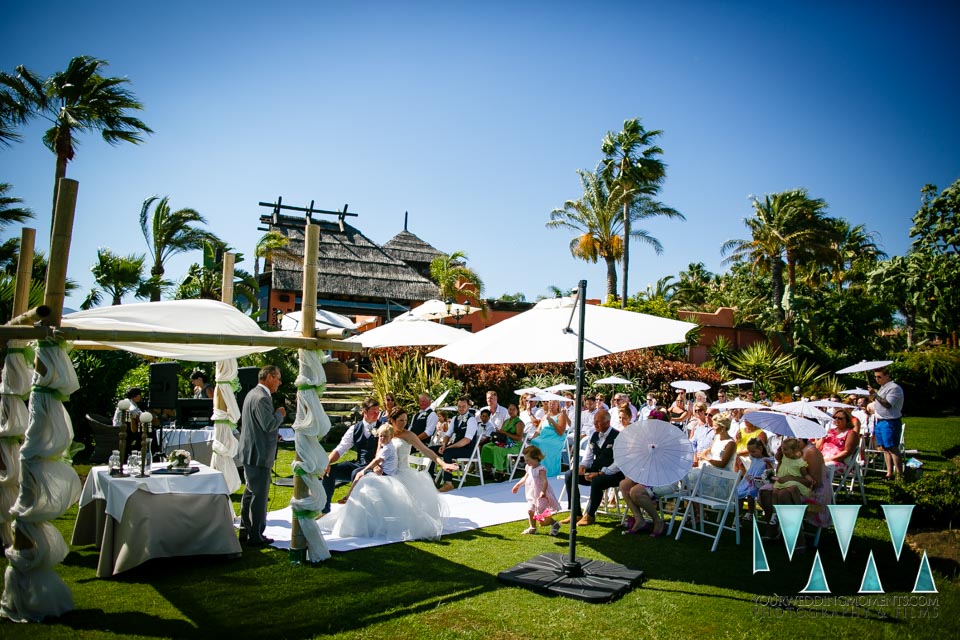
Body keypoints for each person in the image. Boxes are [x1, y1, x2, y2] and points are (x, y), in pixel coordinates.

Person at [320, 407, 457, 542]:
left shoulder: (409, 435)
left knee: (375, 485)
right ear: (392, 420)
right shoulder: (385, 432)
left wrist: (443, 464)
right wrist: (377, 466)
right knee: (364, 483)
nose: (404, 423)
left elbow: (426, 451)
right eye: (400, 420)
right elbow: (378, 454)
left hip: (402, 474)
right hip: (386, 473)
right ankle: (361, 524)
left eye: (405, 420)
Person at [238, 365, 286, 546]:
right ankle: (256, 535)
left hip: (251, 451)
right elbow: (268, 424)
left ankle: (245, 529)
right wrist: (279, 415)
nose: (280, 383)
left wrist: (275, 434)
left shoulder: (252, 394)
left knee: (250, 493)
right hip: (258, 454)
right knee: (259, 496)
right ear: (270, 377)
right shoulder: (262, 398)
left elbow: (258, 426)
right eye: (278, 378)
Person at [559, 408, 623, 527]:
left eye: (598, 422)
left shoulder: (618, 437)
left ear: (607, 423)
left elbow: (619, 462)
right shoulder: (594, 435)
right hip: (595, 469)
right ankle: (576, 512)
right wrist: (583, 466)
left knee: (597, 481)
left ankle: (590, 514)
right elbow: (588, 456)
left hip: (613, 474)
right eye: (594, 421)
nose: (595, 424)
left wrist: (601, 473)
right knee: (570, 475)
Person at [321, 397, 382, 513]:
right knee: (330, 472)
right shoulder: (355, 428)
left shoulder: (383, 427)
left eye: (378, 410)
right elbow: (341, 448)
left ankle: (354, 512)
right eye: (373, 410)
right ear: (364, 411)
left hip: (374, 467)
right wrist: (327, 463)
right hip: (359, 464)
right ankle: (324, 510)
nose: (377, 413)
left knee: (356, 473)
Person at [336, 423, 398, 504]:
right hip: (382, 469)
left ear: (391, 436)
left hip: (385, 473)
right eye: (380, 436)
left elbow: (376, 460)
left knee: (358, 474)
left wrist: (365, 470)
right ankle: (350, 496)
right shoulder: (386, 445)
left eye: (385, 436)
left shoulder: (388, 448)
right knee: (356, 472)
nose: (382, 438)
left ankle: (349, 497)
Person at [431, 396, 478, 492]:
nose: (461, 408)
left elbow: (467, 440)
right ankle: (430, 478)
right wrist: (444, 445)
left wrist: (449, 447)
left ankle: (448, 483)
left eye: (463, 406)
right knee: (431, 449)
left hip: (467, 449)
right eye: (459, 406)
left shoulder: (471, 420)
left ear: (468, 406)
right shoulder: (455, 418)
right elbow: (448, 435)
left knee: (447, 452)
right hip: (454, 447)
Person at [511, 445, 561, 536]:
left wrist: (543, 491)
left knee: (541, 518)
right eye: (525, 460)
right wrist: (518, 485)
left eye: (528, 460)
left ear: (536, 458)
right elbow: (525, 477)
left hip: (541, 495)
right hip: (532, 493)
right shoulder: (528, 467)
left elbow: (545, 481)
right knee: (530, 510)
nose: (526, 462)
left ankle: (555, 523)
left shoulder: (540, 469)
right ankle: (532, 527)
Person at [868, 367, 904, 479]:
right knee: (884, 448)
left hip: (890, 421)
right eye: (875, 377)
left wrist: (875, 395)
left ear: (887, 376)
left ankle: (899, 474)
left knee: (892, 447)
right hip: (880, 420)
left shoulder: (894, 388)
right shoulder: (882, 388)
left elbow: (888, 404)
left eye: (879, 377)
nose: (877, 379)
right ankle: (889, 473)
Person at [480, 403, 524, 480]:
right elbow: (502, 433)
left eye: (514, 409)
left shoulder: (519, 423)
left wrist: (505, 433)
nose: (511, 411)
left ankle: (501, 472)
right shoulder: (506, 421)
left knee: (498, 449)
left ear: (517, 411)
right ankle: (488, 470)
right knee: (486, 447)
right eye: (510, 409)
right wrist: (499, 432)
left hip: (514, 445)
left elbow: (518, 438)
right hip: (504, 442)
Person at [737, 438, 774, 522]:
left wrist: (768, 465)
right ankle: (738, 514)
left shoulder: (766, 460)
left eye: (753, 452)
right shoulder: (754, 459)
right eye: (750, 452)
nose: (751, 454)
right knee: (739, 492)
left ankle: (750, 513)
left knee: (750, 493)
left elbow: (770, 473)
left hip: (759, 482)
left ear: (760, 449)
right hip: (749, 480)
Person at [530, 399, 567, 477]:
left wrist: (552, 421)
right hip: (543, 437)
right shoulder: (545, 416)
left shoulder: (560, 416)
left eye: (554, 404)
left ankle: (546, 471)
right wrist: (532, 438)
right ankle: (535, 470)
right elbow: (538, 430)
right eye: (550, 403)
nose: (551, 405)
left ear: (557, 405)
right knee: (534, 442)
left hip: (556, 439)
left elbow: (561, 432)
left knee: (542, 444)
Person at [817, 408, 860, 474]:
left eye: (840, 418)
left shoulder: (850, 433)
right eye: (834, 417)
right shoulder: (830, 431)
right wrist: (822, 438)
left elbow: (846, 452)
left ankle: (821, 484)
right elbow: (818, 448)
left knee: (825, 466)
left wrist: (829, 459)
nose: (836, 419)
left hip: (838, 462)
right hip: (822, 459)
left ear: (847, 420)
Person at [772, 438, 814, 502]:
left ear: (794, 450)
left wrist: (810, 480)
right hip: (782, 480)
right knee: (774, 492)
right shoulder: (784, 457)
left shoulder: (799, 462)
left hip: (792, 481)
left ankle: (798, 505)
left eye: (785, 449)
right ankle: (775, 511)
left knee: (793, 488)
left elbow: (805, 474)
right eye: (782, 449)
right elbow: (777, 456)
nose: (783, 451)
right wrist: (779, 450)